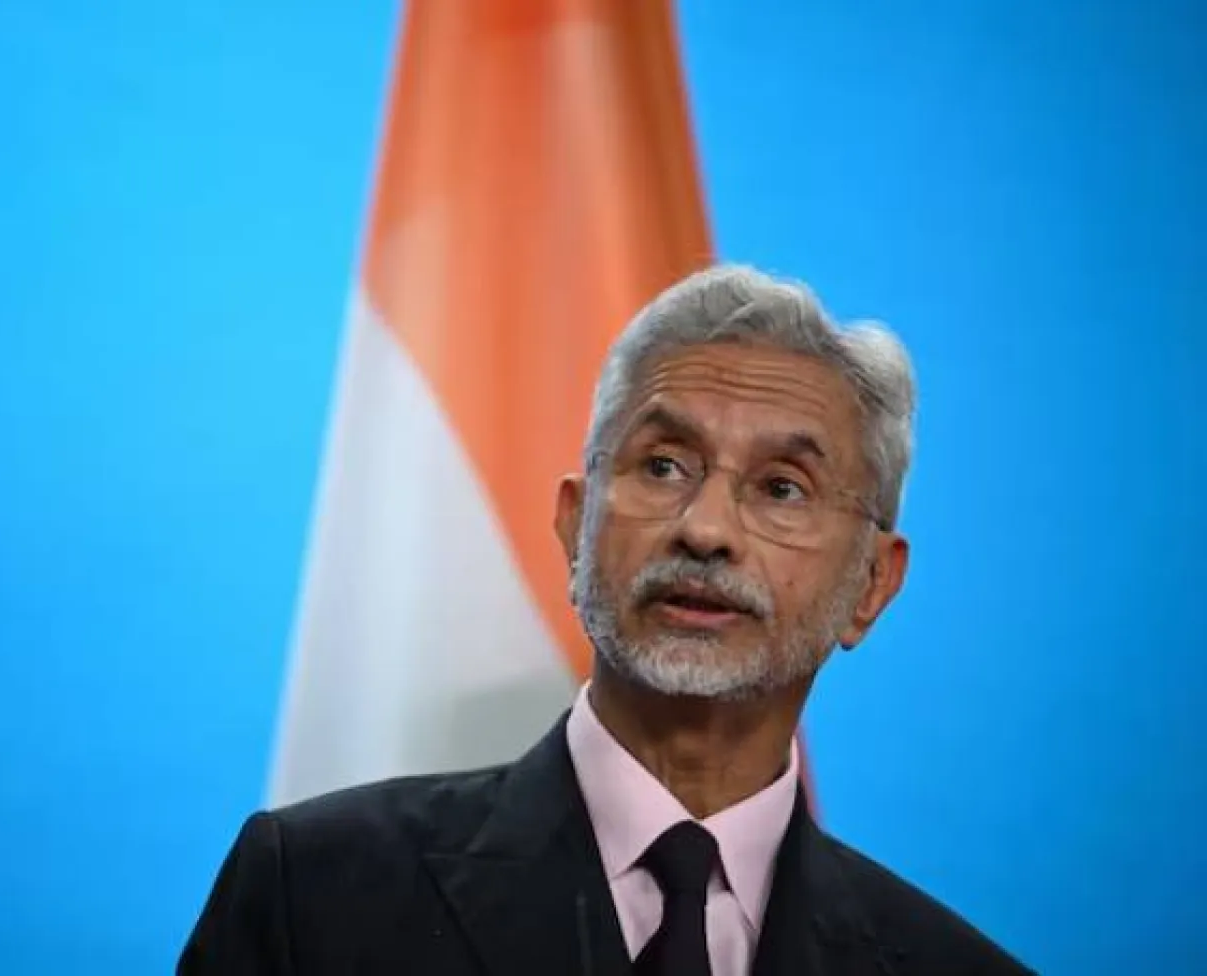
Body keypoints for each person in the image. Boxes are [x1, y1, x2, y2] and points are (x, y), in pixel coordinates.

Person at [177, 265, 1031, 975]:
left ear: (872, 586)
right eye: (662, 465)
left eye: (781, 488)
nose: (704, 529)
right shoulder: (312, 894)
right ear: (573, 529)